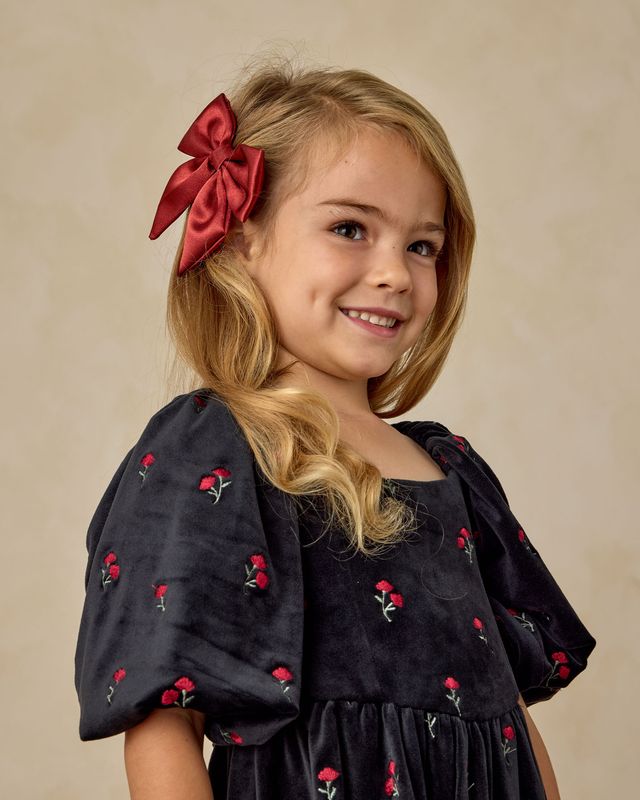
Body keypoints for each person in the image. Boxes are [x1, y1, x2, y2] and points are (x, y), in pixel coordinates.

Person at [74, 55, 597, 800]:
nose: (395, 272)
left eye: (422, 245)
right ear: (244, 237)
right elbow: (163, 725)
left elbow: (506, 710)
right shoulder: (216, 449)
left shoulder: (450, 468)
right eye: (351, 227)